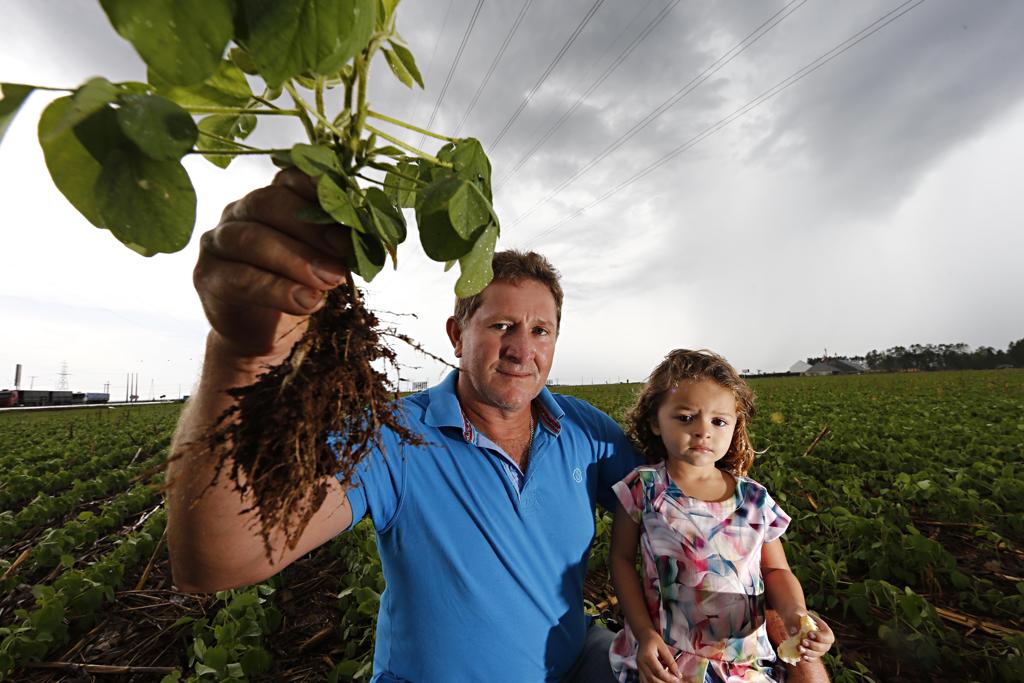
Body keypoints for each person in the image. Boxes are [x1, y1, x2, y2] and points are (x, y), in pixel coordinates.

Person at [167, 169, 834, 682]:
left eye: (540, 329)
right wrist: (241, 351)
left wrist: (798, 649)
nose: (522, 347)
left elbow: (714, 526)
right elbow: (217, 559)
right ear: (458, 333)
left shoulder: (588, 434)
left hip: (572, 667)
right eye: (501, 325)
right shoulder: (396, 436)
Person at [608, 350, 834, 683]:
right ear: (656, 421)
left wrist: (796, 615)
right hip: (670, 658)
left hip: (746, 663)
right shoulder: (645, 487)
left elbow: (775, 569)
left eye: (719, 421)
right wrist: (643, 634)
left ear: (735, 426)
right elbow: (621, 560)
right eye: (685, 418)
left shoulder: (754, 498)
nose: (703, 431)